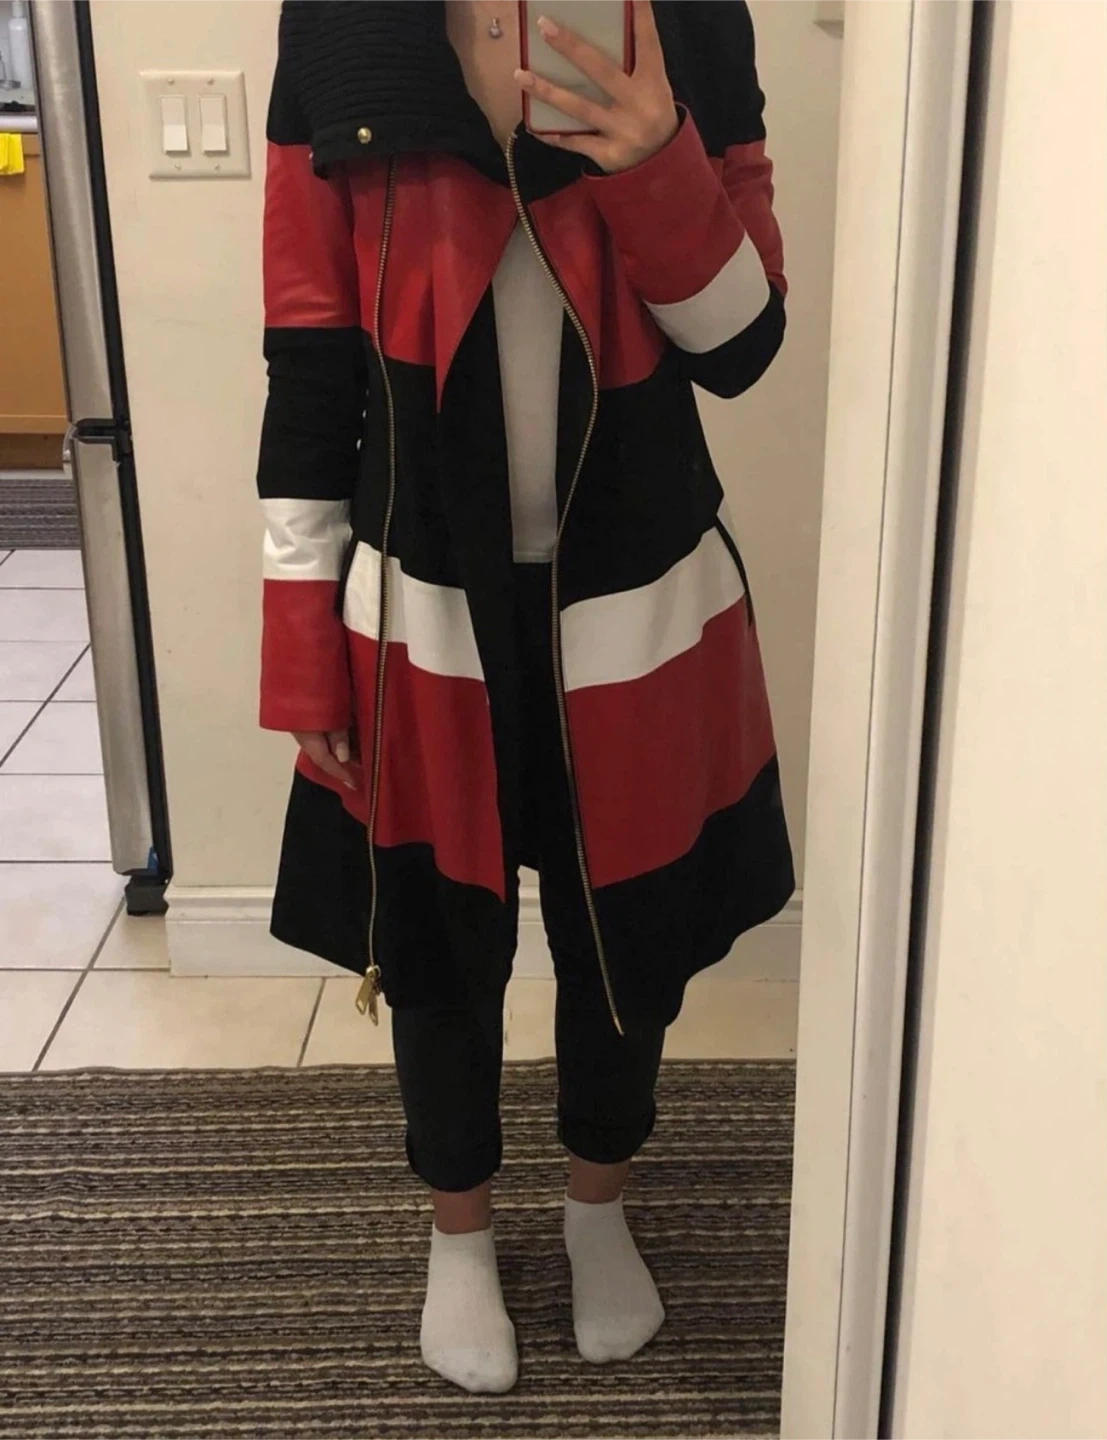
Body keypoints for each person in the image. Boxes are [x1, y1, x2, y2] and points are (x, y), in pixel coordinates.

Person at [256, 0, 794, 1396]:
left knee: (631, 932)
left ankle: (598, 1207)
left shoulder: (689, 20)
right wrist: (298, 637)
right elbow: (309, 355)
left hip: (641, 595)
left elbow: (743, 345)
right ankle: (461, 1235)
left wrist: (658, 158)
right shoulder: (342, 24)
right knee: (436, 939)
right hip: (422, 598)